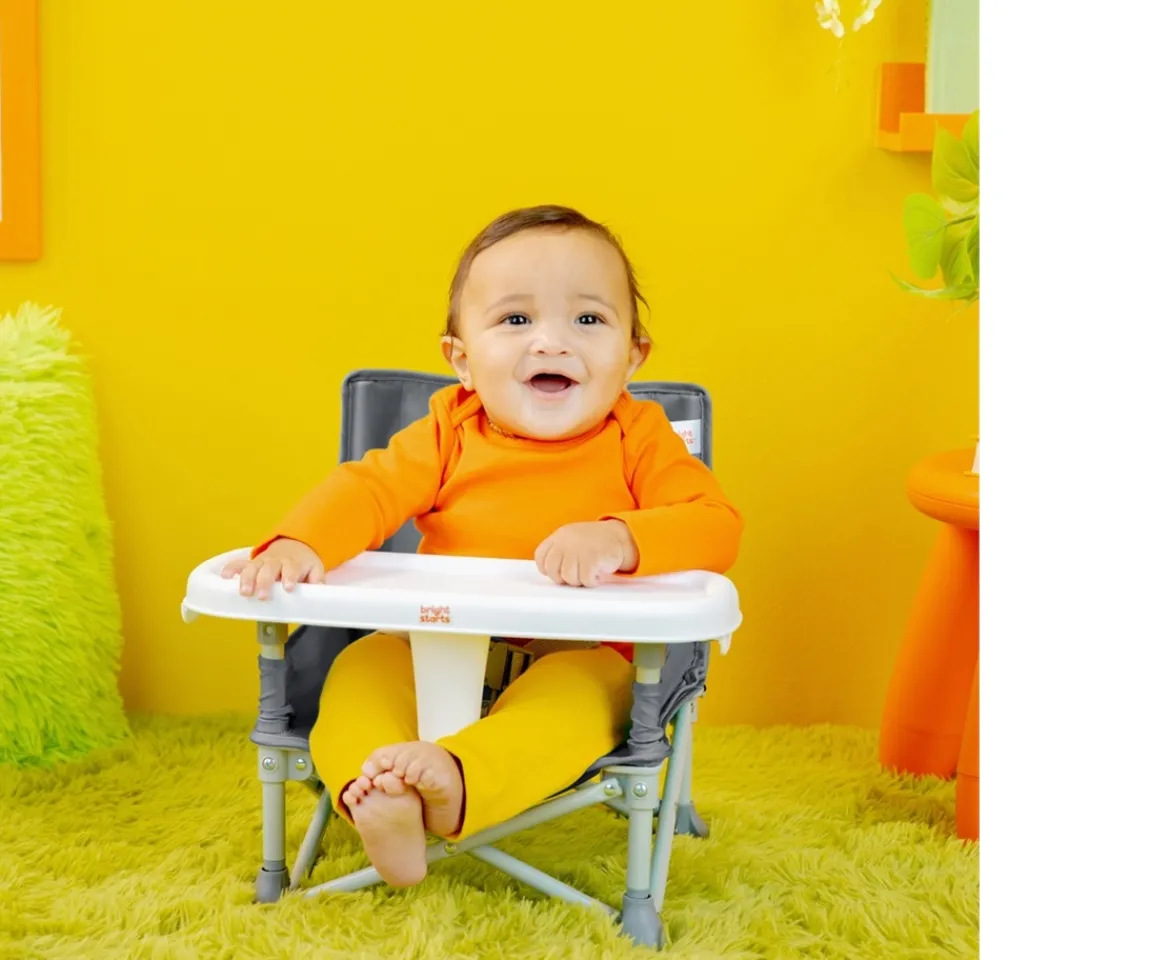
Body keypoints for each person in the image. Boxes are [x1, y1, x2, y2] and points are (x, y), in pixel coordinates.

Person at [223, 205, 742, 887]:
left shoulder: (640, 438)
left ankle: (458, 780)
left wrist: (620, 538)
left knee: (580, 705)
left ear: (632, 356)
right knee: (359, 671)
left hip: (573, 655)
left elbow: (714, 523)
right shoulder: (448, 431)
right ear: (461, 360)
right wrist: (302, 540)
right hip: (432, 644)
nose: (551, 342)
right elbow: (367, 489)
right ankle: (377, 789)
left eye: (588, 319)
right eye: (516, 319)